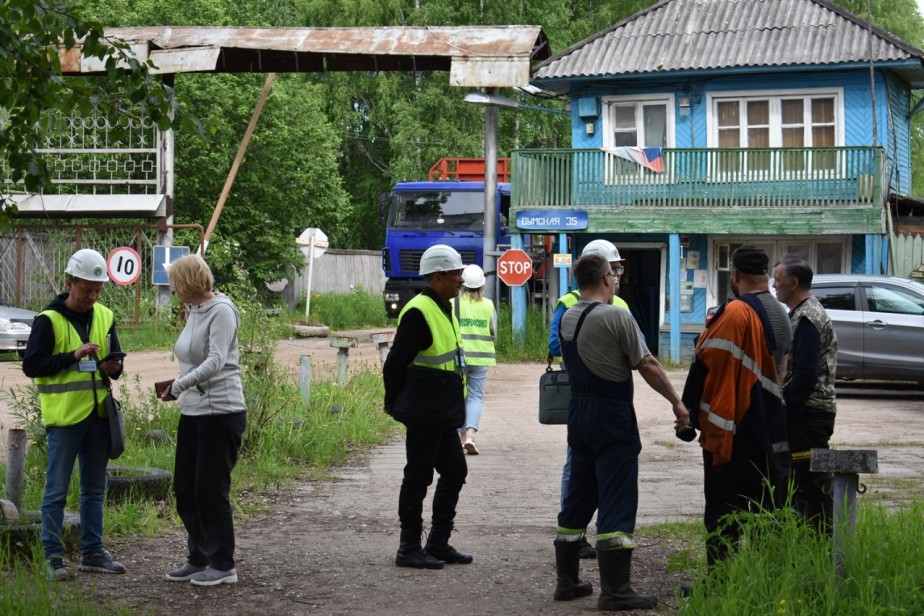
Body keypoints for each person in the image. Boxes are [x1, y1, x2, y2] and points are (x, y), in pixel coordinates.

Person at [553, 253, 689, 611]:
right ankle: (615, 591)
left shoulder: (568, 315)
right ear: (606, 279)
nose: (616, 280)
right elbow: (645, 362)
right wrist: (677, 403)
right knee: (616, 497)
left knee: (580, 495)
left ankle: (566, 582)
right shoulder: (617, 316)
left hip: (578, 414)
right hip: (610, 415)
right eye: (614, 275)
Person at [682, 244, 790, 568]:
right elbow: (779, 372)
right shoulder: (781, 315)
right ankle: (758, 578)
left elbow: (712, 362)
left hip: (733, 425)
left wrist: (694, 416)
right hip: (767, 423)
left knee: (722, 510)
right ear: (768, 275)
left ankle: (720, 580)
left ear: (736, 274)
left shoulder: (734, 313)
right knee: (762, 508)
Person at [23, 248, 126, 581]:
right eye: (86, 290)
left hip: (98, 417)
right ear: (69, 283)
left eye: (97, 290)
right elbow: (31, 366)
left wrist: (114, 366)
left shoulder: (105, 316)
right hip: (65, 420)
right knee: (56, 491)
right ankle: (53, 556)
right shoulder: (47, 320)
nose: (92, 297)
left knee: (95, 489)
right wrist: (71, 355)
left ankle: (93, 552)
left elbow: (114, 365)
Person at [382, 244, 472, 570]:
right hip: (425, 410)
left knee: (455, 471)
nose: (461, 279)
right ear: (438, 277)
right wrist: (392, 402)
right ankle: (408, 548)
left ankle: (437, 543)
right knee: (418, 477)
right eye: (456, 273)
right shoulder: (420, 311)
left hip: (442, 409)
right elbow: (394, 365)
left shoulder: (443, 306)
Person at [159, 254, 247, 586]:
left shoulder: (222, 311)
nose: (172, 289)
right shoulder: (193, 311)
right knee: (185, 488)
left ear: (187, 282)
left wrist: (178, 385)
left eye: (174, 283)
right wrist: (180, 384)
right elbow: (191, 358)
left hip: (221, 412)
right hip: (193, 412)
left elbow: (215, 360)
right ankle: (198, 557)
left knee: (210, 490)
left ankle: (223, 564)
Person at [548, 238, 630, 559]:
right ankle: (575, 533)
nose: (618, 273)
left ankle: (603, 533)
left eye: (619, 267)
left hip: (615, 393)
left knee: (611, 466)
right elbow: (556, 345)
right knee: (577, 463)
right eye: (615, 267)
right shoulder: (568, 302)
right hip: (580, 390)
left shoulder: (621, 305)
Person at [772, 255, 838, 531]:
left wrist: (787, 409)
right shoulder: (800, 313)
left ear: (793, 282)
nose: (774, 287)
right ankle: (807, 540)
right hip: (809, 411)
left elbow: (807, 373)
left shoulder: (808, 317)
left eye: (777, 280)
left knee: (812, 483)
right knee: (800, 481)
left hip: (810, 414)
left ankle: (822, 543)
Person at [453, 263, 496, 455]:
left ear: (462, 283)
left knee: (459, 397)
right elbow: (493, 331)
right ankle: (470, 436)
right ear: (482, 285)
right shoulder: (488, 305)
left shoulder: (454, 303)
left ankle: (461, 437)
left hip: (458, 358)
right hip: (481, 357)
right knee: (475, 397)